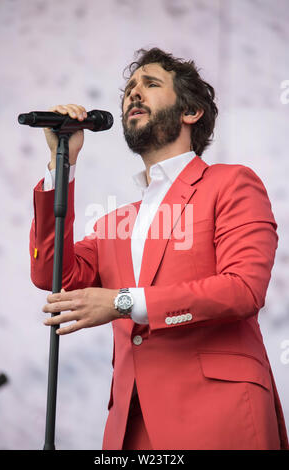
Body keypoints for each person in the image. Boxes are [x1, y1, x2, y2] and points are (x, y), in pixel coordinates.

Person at [29, 48, 288, 450]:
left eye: (150, 85)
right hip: (131, 427)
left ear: (191, 112)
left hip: (219, 417)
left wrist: (122, 302)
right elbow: (51, 273)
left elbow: (243, 289)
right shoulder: (115, 222)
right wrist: (62, 163)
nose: (134, 93)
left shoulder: (232, 183)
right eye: (130, 88)